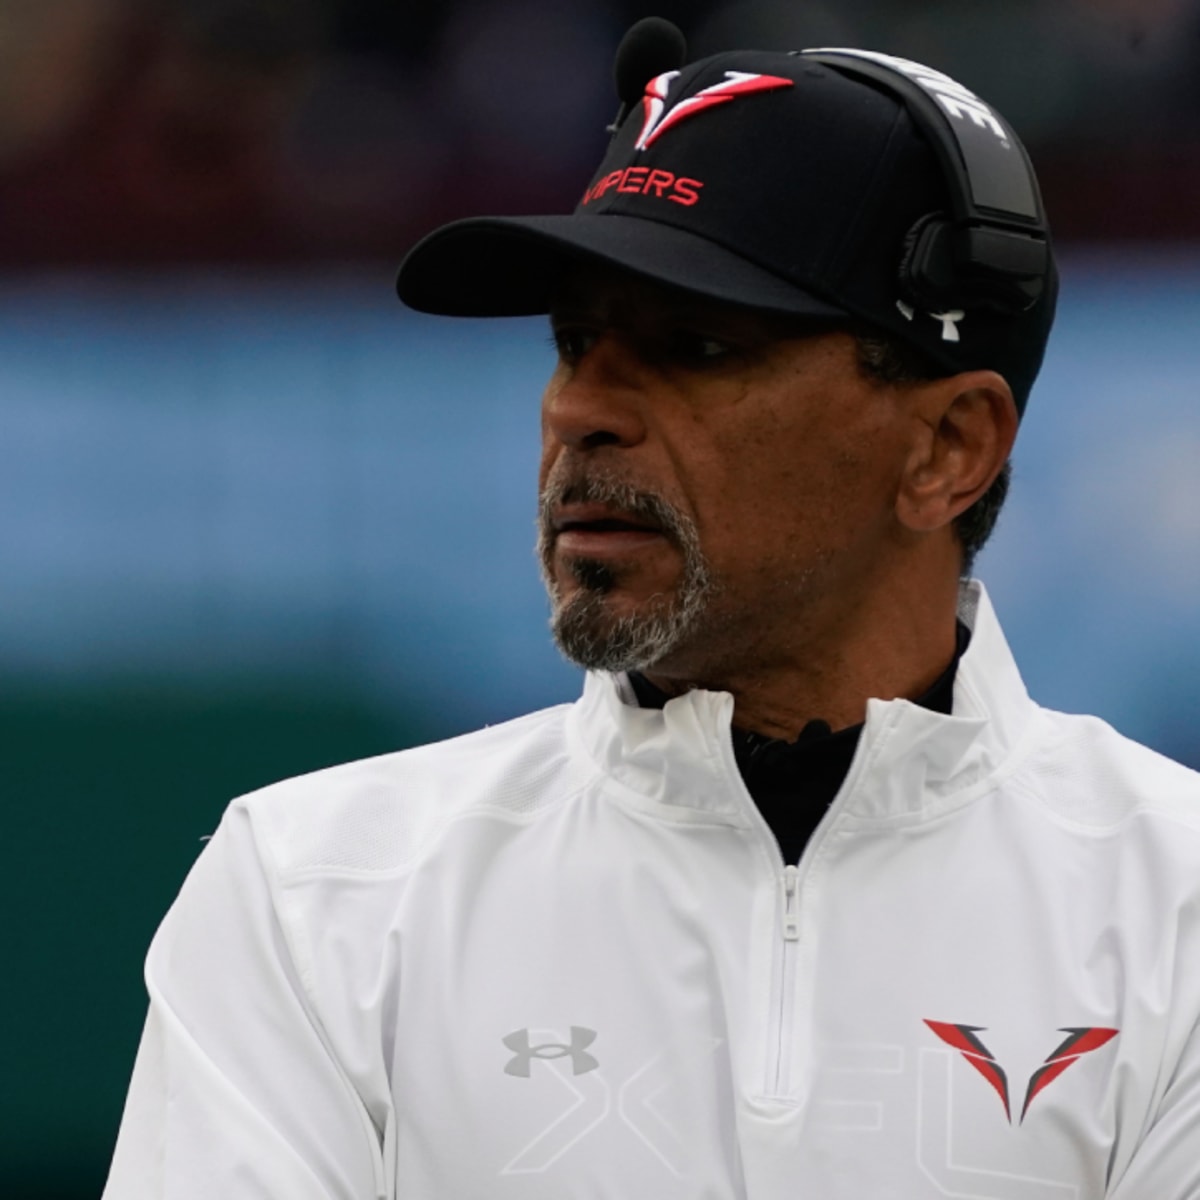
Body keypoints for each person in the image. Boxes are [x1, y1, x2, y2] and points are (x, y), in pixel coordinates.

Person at [103, 22, 1200, 1199]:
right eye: (576, 341)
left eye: (696, 345)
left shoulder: (1176, 904)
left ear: (948, 446)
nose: (582, 410)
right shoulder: (316, 891)